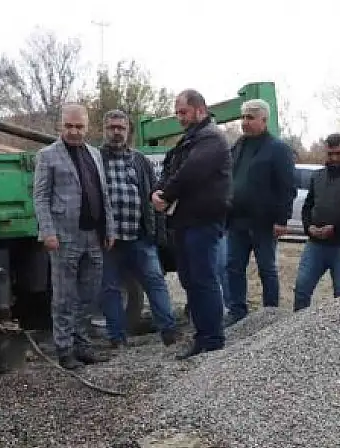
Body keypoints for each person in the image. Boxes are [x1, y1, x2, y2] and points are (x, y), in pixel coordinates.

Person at [32, 103, 116, 369]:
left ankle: (83, 346)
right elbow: (41, 197)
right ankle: (64, 349)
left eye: (79, 127)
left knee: (89, 295)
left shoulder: (95, 155)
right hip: (64, 237)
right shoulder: (47, 156)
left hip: (94, 236)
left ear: (87, 127)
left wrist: (109, 229)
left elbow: (104, 195)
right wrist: (47, 231)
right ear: (61, 125)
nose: (74, 132)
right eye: (69, 126)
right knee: (64, 296)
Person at [151, 89, 232, 359]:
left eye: (183, 112)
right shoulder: (188, 140)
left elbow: (191, 173)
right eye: (177, 113)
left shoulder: (212, 139)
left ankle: (213, 340)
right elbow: (170, 170)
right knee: (190, 281)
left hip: (203, 221)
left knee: (203, 280)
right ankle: (202, 336)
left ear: (200, 109)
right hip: (184, 222)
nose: (179, 118)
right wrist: (158, 191)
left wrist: (166, 194)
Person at [98, 109, 177, 348]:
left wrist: (157, 234)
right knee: (110, 289)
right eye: (112, 127)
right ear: (104, 130)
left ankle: (169, 333)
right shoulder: (96, 159)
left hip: (140, 236)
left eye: (121, 128)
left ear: (128, 131)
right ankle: (117, 338)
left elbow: (155, 197)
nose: (116, 132)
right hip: (108, 239)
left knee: (155, 282)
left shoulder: (140, 160)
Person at [224, 98, 296, 325]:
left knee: (266, 268)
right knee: (233, 267)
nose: (245, 122)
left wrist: (281, 219)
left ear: (264, 120)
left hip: (263, 223)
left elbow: (287, 188)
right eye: (243, 117)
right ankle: (237, 312)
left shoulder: (278, 149)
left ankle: (271, 315)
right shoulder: (238, 146)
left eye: (250, 118)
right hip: (236, 221)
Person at [292, 133, 340, 309]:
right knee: (302, 290)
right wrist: (309, 227)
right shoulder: (318, 176)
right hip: (315, 244)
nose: (334, 158)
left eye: (338, 153)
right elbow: (308, 206)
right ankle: (298, 331)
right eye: (330, 154)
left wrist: (335, 229)